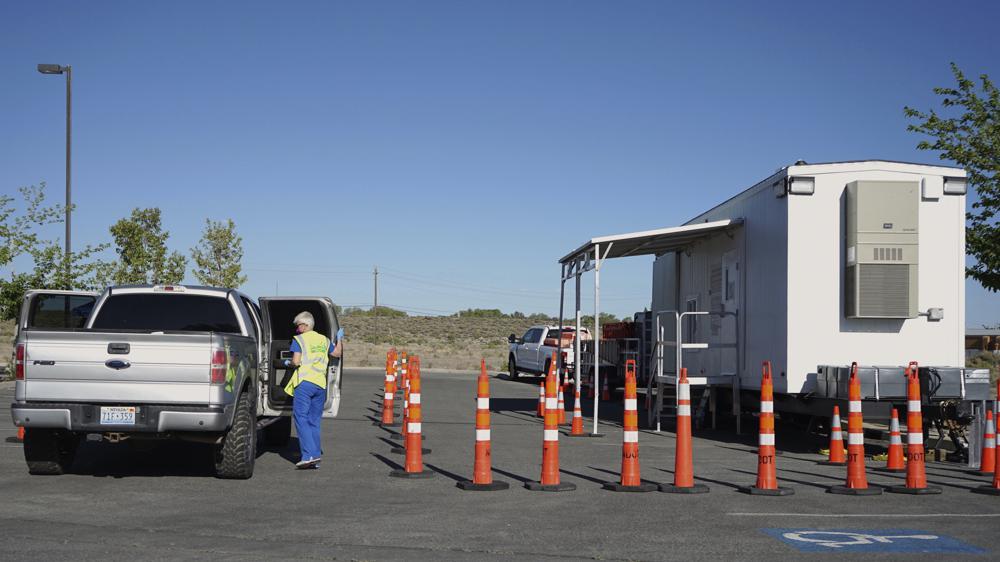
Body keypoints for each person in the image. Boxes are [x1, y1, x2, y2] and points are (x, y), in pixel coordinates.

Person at [283, 311, 343, 469]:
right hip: (320, 385)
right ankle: (315, 456)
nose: (297, 329)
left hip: (304, 383)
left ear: (306, 325)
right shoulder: (324, 340)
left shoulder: (299, 340)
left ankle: (308, 455)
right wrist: (340, 339)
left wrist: (288, 363)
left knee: (300, 418)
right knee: (314, 421)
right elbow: (337, 353)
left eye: (298, 326)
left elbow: (296, 362)